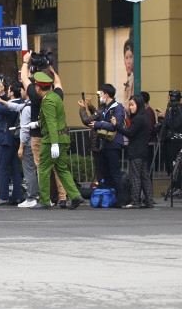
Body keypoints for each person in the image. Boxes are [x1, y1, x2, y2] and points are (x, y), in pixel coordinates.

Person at [21, 52, 68, 206]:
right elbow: (59, 82)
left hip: (38, 135)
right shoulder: (57, 95)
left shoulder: (36, 95)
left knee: (42, 168)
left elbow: (24, 79)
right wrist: (49, 66)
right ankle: (63, 197)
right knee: (58, 169)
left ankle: (45, 198)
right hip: (57, 136)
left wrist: (25, 61)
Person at [31, 72, 84, 210]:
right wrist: (38, 123)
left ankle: (44, 200)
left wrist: (54, 143)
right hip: (63, 137)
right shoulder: (55, 97)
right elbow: (56, 118)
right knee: (61, 168)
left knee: (43, 168)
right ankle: (75, 195)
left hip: (52, 139)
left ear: (38, 87)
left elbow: (52, 123)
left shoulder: (47, 101)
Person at [0, 81, 24, 205]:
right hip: (14, 139)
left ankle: (4, 196)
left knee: (1, 167)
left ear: (12, 93)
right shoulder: (18, 103)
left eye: (8, 90)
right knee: (14, 168)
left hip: (5, 138)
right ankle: (17, 195)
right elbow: (3, 103)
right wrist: (1, 93)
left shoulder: (10, 106)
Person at [114, 94, 154, 208]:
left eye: (132, 105)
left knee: (135, 176)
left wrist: (117, 126)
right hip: (143, 150)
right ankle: (149, 200)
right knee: (144, 176)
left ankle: (135, 201)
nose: (130, 107)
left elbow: (130, 133)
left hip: (136, 150)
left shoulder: (139, 118)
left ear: (139, 104)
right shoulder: (143, 117)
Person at [88, 84, 126, 197]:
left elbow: (115, 125)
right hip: (104, 144)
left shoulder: (117, 107)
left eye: (101, 94)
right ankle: (109, 196)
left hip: (114, 143)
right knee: (106, 172)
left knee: (114, 172)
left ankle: (119, 198)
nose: (100, 96)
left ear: (107, 94)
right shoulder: (105, 108)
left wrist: (97, 124)